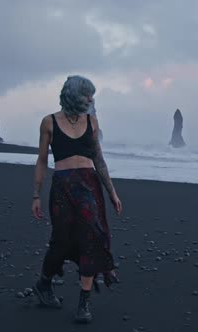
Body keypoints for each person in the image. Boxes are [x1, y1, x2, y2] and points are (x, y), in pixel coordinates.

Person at [30, 75, 122, 324]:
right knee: (60, 242)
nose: (91, 99)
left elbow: (99, 160)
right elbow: (41, 160)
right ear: (73, 94)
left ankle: (84, 302)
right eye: (86, 94)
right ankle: (44, 284)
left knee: (92, 238)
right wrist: (36, 194)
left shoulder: (92, 121)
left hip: (90, 187)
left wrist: (112, 192)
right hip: (62, 188)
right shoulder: (49, 122)